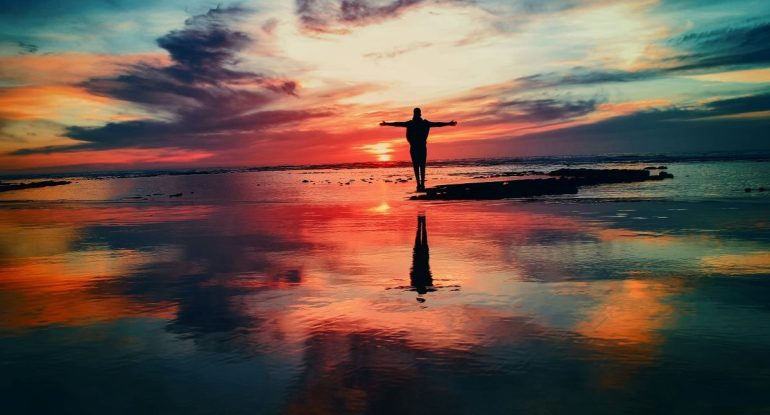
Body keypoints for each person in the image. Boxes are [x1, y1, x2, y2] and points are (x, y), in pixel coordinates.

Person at [380, 108, 457, 191]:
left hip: (415, 147)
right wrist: (449, 123)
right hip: (420, 147)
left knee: (417, 166)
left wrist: (386, 124)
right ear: (420, 114)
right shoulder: (422, 123)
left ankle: (419, 184)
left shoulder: (413, 123)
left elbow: (398, 124)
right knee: (421, 165)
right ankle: (421, 184)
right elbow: (437, 124)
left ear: (415, 114)